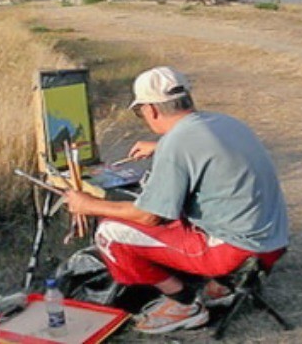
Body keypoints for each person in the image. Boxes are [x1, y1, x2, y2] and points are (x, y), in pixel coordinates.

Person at [63, 66, 289, 335]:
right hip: (273, 242)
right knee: (176, 208)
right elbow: (208, 150)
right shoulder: (224, 122)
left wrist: (86, 205)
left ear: (152, 110)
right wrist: (161, 146)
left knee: (109, 231)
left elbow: (151, 216)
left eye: (141, 112)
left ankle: (184, 304)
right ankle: (221, 285)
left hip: (234, 251)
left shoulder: (178, 142)